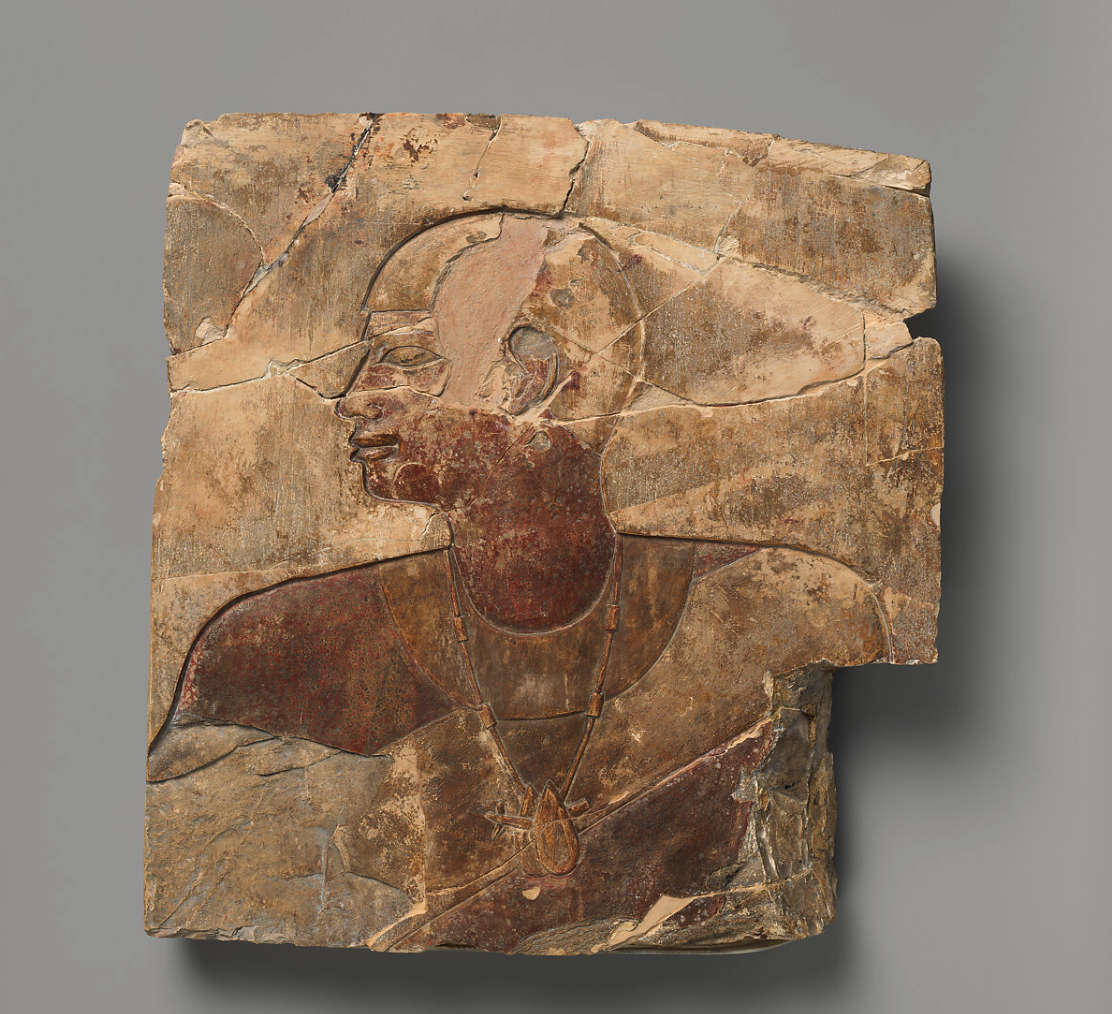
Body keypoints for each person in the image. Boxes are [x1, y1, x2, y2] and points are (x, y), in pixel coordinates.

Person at [153, 213, 887, 938]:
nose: (353, 397)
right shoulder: (267, 652)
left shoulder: (784, 607)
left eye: (405, 358)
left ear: (531, 377)